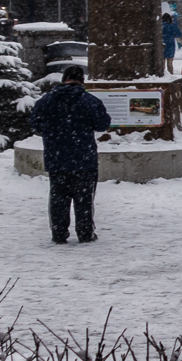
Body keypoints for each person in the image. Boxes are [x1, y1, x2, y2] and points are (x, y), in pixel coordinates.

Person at [29, 66, 113, 244]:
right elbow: (102, 124)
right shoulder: (89, 100)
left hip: (56, 157)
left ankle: (59, 233)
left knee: (58, 197)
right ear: (81, 80)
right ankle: (85, 232)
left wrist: (53, 132)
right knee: (84, 198)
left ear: (63, 79)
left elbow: (35, 124)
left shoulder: (46, 101)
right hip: (84, 158)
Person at [161, 8, 181, 74]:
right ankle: (171, 75)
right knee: (170, 64)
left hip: (162, 45)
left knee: (162, 64)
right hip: (170, 46)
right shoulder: (172, 26)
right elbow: (178, 34)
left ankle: (162, 75)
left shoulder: (160, 26)